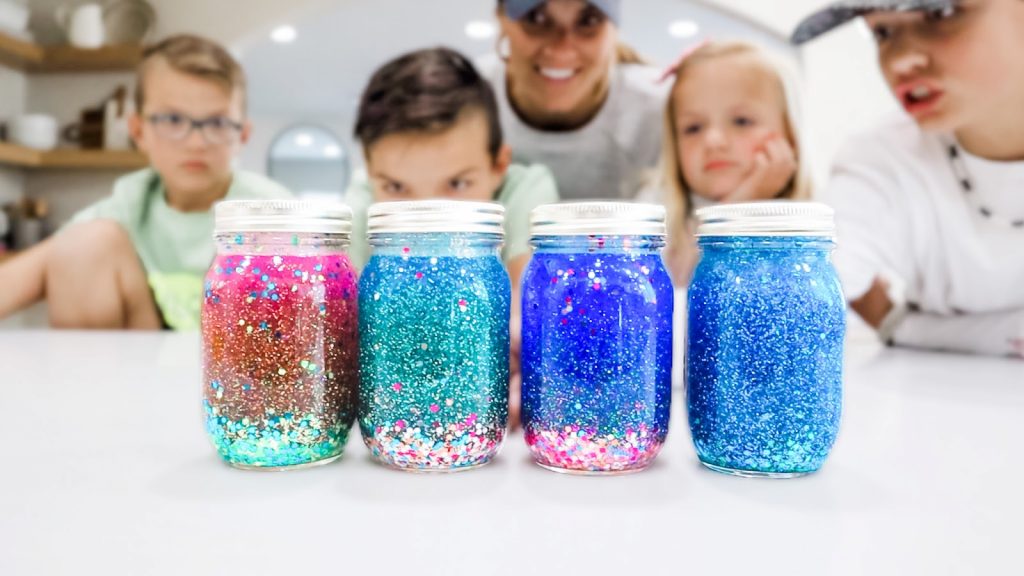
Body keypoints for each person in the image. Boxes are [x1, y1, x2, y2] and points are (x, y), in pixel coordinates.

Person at [0, 34, 291, 330]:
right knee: (83, 243)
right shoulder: (133, 199)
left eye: (216, 123)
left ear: (242, 135)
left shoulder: (269, 208)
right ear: (138, 131)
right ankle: (88, 376)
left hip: (239, 370)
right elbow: (20, 278)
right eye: (173, 120)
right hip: (139, 367)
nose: (195, 142)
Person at [792, 0, 1024, 358]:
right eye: (882, 33)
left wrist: (915, 330)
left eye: (940, 14)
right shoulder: (880, 161)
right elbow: (811, 288)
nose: (898, 60)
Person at [344, 47, 560, 427]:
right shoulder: (362, 204)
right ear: (370, 173)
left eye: (457, 183)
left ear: (499, 166)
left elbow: (529, 307)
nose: (429, 215)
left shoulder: (526, 190)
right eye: (396, 186)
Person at [657, 40, 811, 286]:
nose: (713, 140)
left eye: (741, 121)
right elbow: (691, 295)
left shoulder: (819, 224)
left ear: (790, 137)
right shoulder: (663, 227)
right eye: (693, 127)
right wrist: (739, 205)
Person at [478, 0, 667, 200]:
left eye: (589, 21)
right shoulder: (463, 100)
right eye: (536, 18)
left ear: (615, 29)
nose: (561, 50)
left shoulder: (668, 110)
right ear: (501, 18)